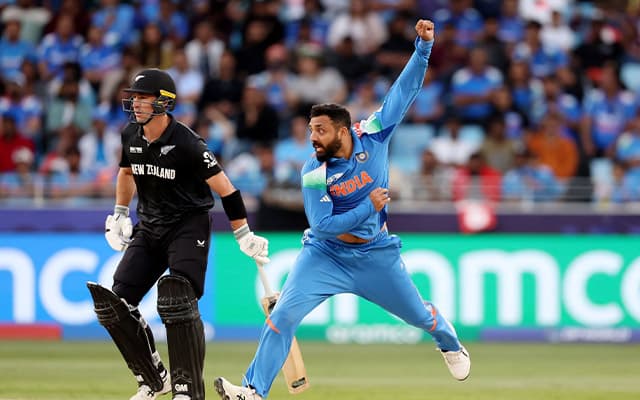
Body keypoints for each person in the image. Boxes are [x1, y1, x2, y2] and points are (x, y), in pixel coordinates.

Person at [214, 19, 470, 400]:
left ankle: (449, 342)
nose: (312, 138)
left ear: (343, 131)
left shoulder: (375, 133)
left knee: (420, 316)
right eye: (310, 130)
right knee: (282, 316)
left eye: (319, 130)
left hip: (375, 255)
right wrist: (368, 206)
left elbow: (404, 91)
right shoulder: (313, 172)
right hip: (326, 255)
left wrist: (423, 48)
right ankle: (253, 391)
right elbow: (323, 227)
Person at [86, 68, 270, 400]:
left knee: (177, 298)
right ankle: (154, 379)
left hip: (188, 225)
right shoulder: (131, 135)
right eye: (135, 97)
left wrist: (243, 234)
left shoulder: (187, 142)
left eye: (143, 98)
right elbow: (126, 173)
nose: (136, 103)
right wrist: (120, 213)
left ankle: (187, 390)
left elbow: (226, 189)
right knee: (115, 304)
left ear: (164, 102)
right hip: (150, 225)